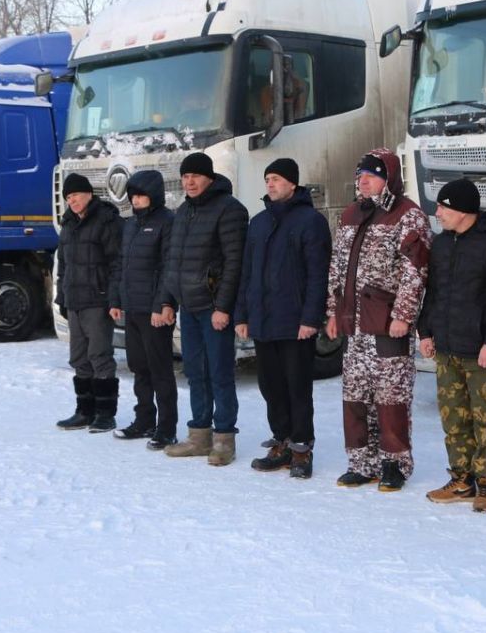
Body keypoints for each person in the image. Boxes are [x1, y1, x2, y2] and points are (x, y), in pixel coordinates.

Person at [326, 148, 431, 492]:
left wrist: (404, 316)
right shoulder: (349, 215)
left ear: (389, 177)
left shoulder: (407, 215)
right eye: (360, 176)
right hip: (353, 324)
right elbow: (336, 269)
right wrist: (332, 312)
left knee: (391, 398)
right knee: (355, 396)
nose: (364, 181)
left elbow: (416, 271)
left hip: (387, 323)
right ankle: (361, 463)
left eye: (372, 175)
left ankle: (394, 464)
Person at [418, 179, 486, 513]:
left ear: (462, 210)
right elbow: (433, 294)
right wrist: (426, 332)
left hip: (481, 352)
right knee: (454, 419)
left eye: (444, 207)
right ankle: (462, 478)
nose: (438, 213)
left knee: (485, 419)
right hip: (448, 348)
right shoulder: (442, 245)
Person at [235, 158, 331, 479]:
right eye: (267, 180)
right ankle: (282, 442)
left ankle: (302, 448)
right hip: (264, 321)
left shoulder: (310, 221)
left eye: (276, 179)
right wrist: (243, 314)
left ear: (292, 183)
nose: (270, 185)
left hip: (295, 323)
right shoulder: (258, 223)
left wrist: (311, 318)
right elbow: (247, 273)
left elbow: (319, 275)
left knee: (297, 387)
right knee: (271, 387)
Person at [161, 151, 249, 466]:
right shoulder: (183, 212)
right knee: (195, 372)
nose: (190, 182)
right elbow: (172, 262)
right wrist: (168, 301)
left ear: (209, 178)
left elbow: (234, 263)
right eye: (185, 177)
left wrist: (223, 307)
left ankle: (224, 438)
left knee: (220, 373)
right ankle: (199, 435)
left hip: (213, 308)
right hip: (189, 307)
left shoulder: (229, 209)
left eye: (195, 176)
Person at [109, 169, 179, 450]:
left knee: (160, 369)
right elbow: (120, 265)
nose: (136, 201)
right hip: (132, 308)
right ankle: (144, 420)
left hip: (155, 311)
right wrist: (115, 300)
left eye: (141, 195)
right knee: (139, 367)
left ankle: (167, 428)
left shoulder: (167, 222)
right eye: (133, 196)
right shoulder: (130, 225)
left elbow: (168, 267)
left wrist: (163, 304)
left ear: (154, 195)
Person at [53, 173, 124, 433]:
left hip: (98, 300)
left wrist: (114, 297)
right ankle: (85, 410)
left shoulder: (106, 221)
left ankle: (106, 413)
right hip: (74, 301)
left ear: (89, 194)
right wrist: (62, 297)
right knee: (78, 357)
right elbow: (64, 266)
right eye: (68, 197)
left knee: (99, 356)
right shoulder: (69, 223)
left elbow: (117, 263)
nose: (72, 201)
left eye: (76, 195)